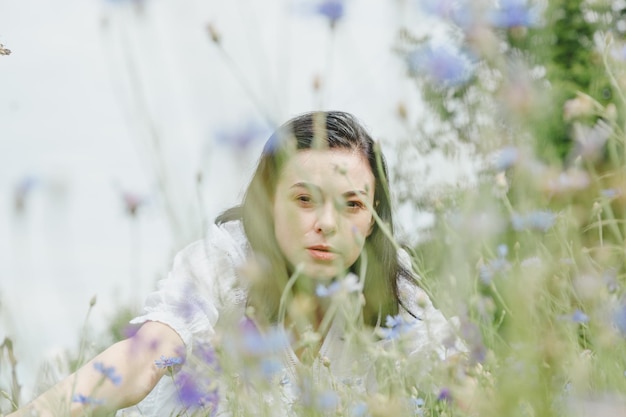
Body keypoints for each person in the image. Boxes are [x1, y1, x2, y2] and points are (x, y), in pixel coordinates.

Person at [8, 111, 460, 417]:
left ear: (374, 212)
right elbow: (145, 355)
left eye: (352, 204)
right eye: (304, 199)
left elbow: (457, 374)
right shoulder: (224, 263)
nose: (327, 224)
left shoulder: (388, 282)